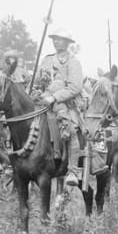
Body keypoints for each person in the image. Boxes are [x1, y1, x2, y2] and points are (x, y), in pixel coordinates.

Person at [36, 28, 85, 187]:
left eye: (60, 39)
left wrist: (54, 97)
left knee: (69, 130)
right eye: (55, 39)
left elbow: (75, 88)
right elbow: (38, 81)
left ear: (67, 43)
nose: (57, 42)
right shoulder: (46, 60)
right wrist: (37, 89)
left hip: (66, 103)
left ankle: (72, 170)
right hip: (44, 101)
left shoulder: (73, 62)